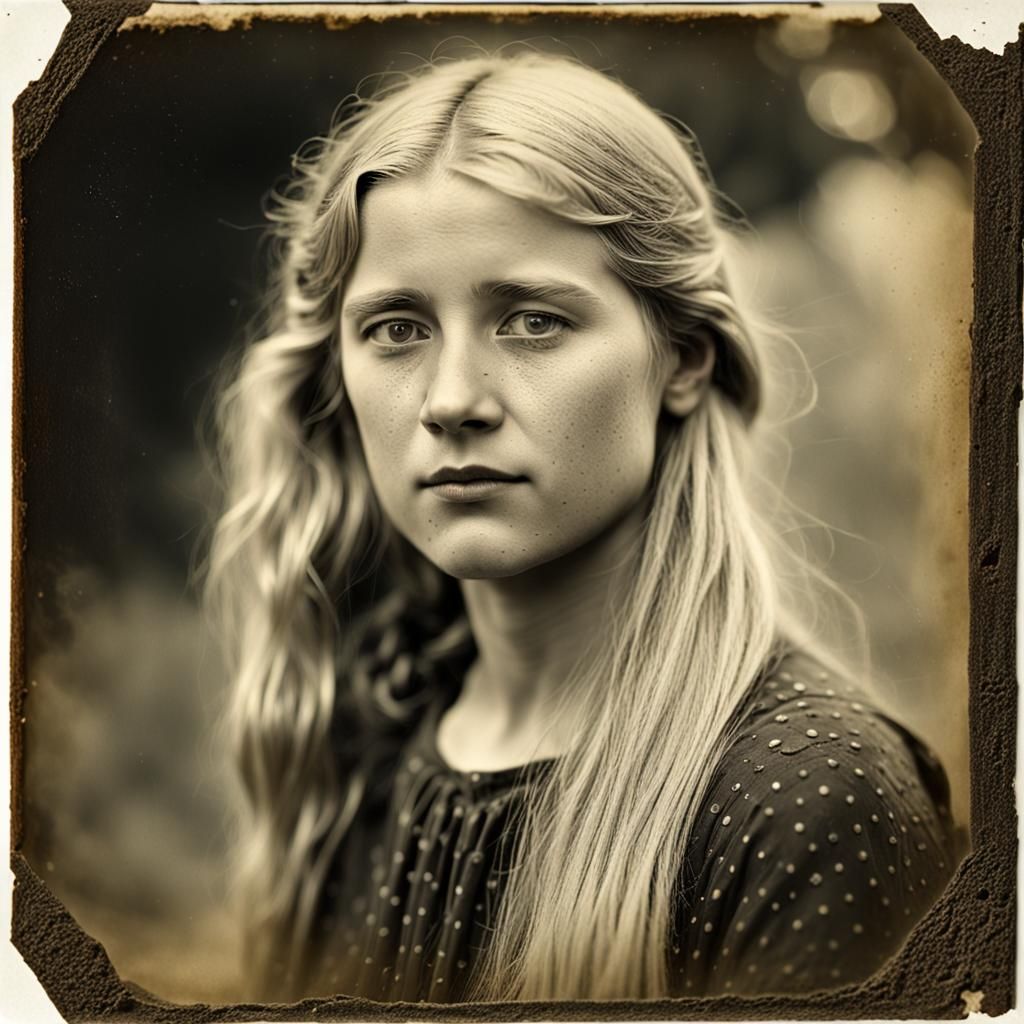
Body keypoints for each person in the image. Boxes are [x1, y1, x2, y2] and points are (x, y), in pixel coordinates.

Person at [206, 51, 959, 1004]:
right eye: (397, 328)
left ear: (680, 356)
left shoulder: (803, 800)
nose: (451, 401)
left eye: (531, 322)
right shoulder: (361, 743)